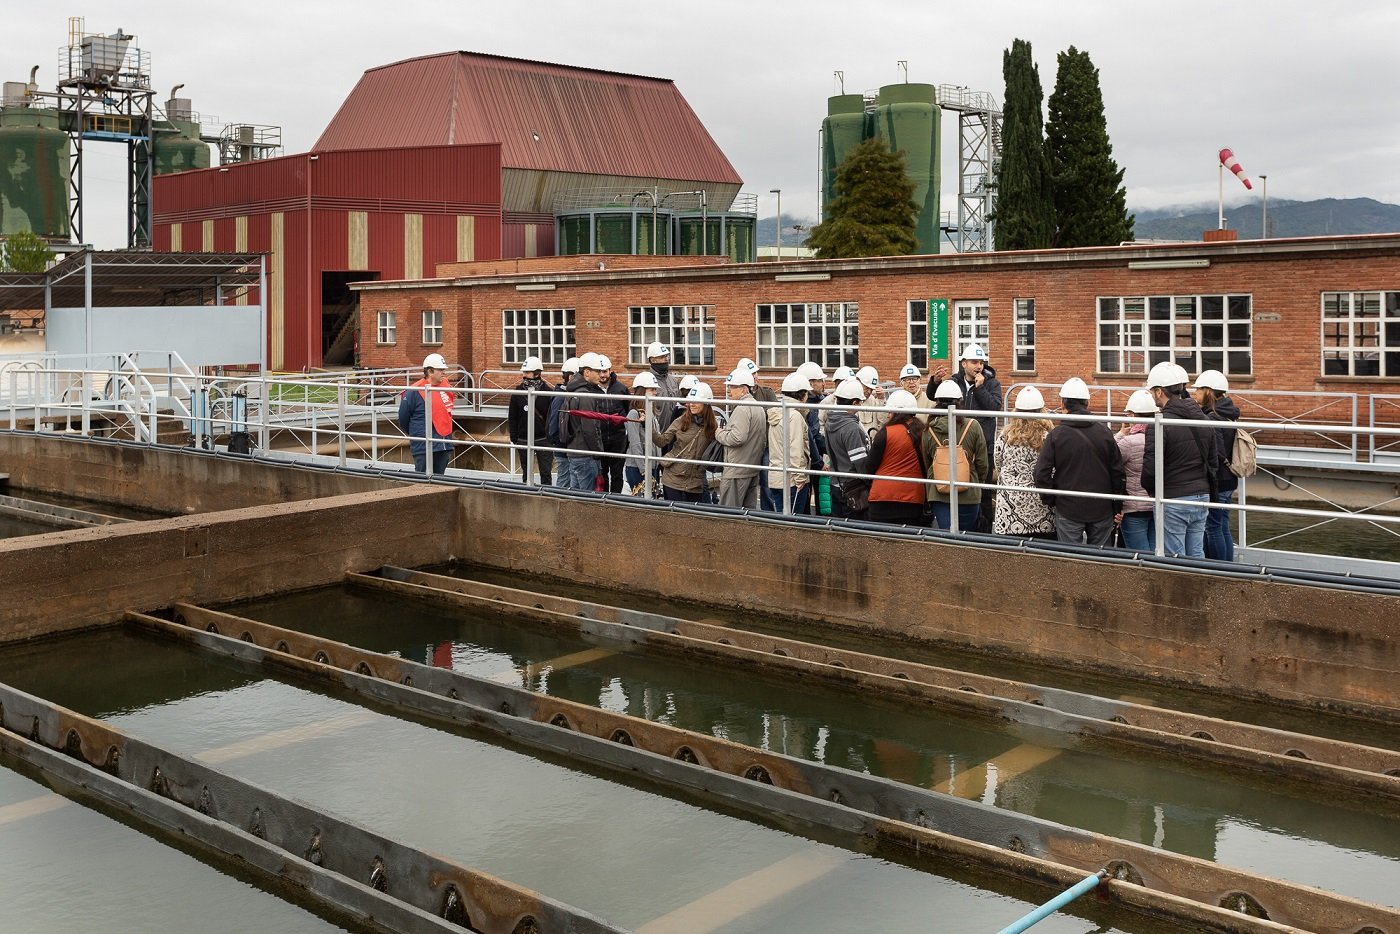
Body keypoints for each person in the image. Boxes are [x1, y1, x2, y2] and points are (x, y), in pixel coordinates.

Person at [1034, 378, 1126, 546]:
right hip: (1102, 507)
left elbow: (1041, 473)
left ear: (1062, 403)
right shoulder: (1104, 432)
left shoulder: (1057, 435)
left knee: (1070, 560)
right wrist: (1116, 506)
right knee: (1100, 560)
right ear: (1087, 403)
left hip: (1068, 507)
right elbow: (1118, 472)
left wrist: (1052, 500)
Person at [1142, 361, 1218, 558]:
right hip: (1202, 495)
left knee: (1174, 557)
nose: (1151, 395)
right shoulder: (1203, 419)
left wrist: (1153, 492)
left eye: (1152, 391)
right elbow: (1213, 460)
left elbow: (1150, 469)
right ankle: (1201, 587)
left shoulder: (1160, 424)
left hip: (1173, 498)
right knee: (1196, 552)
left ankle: (1179, 590)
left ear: (1159, 391)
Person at [940, 343, 1002, 530]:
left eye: (981, 362)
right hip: (959, 444)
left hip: (984, 445)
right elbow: (940, 401)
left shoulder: (992, 383)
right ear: (964, 363)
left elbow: (994, 408)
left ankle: (984, 532)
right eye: (974, 362)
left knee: (983, 491)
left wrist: (980, 389)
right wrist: (935, 383)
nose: (978, 367)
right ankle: (959, 526)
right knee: (959, 487)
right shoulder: (954, 382)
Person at [992, 386, 1055, 539]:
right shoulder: (1049, 437)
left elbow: (997, 463)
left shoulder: (1005, 436)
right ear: (1041, 411)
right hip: (1042, 506)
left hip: (1010, 509)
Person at [927, 379, 988, 531]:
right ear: (960, 401)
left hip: (938, 493)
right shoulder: (973, 426)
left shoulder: (928, 430)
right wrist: (975, 483)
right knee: (968, 538)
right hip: (969, 493)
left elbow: (927, 461)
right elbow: (982, 463)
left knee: (948, 539)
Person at [865, 389, 932, 526]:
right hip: (914, 499)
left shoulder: (885, 433)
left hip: (882, 499)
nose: (888, 415)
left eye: (890, 412)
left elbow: (869, 466)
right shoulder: (923, 432)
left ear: (896, 413)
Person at [1194, 370, 1240, 561]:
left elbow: (1217, 450)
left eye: (1198, 389)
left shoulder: (1212, 417)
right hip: (1229, 478)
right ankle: (1227, 566)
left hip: (1218, 479)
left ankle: (1219, 568)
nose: (1195, 393)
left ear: (1208, 391)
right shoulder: (1228, 413)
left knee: (1212, 527)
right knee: (1222, 524)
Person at [651, 381, 717, 503]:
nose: (691, 404)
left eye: (695, 401)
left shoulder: (713, 426)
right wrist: (648, 426)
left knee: (692, 518)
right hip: (673, 478)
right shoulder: (681, 420)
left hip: (695, 482)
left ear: (706, 404)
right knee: (675, 517)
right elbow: (662, 441)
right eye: (690, 401)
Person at [715, 368, 767, 509]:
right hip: (751, 467)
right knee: (747, 514)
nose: (728, 390)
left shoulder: (742, 408)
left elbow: (737, 438)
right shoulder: (758, 407)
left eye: (732, 387)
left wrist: (719, 433)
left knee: (728, 513)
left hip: (737, 470)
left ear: (744, 389)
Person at [1115, 389, 1159, 552]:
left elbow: (1109, 458)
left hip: (1134, 508)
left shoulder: (1128, 442)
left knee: (1139, 554)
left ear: (1133, 416)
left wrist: (1119, 435)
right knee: (1155, 551)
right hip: (1156, 505)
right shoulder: (1161, 437)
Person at [397, 352, 454, 475]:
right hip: (423, 446)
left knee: (440, 480)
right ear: (430, 371)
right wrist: (417, 434)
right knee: (422, 479)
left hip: (443, 445)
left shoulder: (445, 386)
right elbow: (403, 418)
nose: (444, 373)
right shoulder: (414, 391)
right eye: (440, 370)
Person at [560, 352, 609, 492]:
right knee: (588, 497)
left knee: (575, 494)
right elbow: (590, 428)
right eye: (597, 371)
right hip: (585, 454)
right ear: (587, 372)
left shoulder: (573, 391)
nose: (601, 375)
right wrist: (598, 452)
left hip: (574, 451)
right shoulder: (586, 395)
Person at [824, 377, 871, 520]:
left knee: (839, 531)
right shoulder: (850, 427)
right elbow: (860, 462)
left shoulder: (830, 421)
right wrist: (872, 481)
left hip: (836, 484)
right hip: (853, 489)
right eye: (860, 402)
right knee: (854, 533)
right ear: (854, 402)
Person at [767, 371, 812, 513]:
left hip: (776, 476)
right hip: (792, 480)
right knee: (793, 523)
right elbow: (795, 450)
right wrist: (800, 478)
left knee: (781, 522)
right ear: (802, 394)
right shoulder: (795, 416)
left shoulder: (776, 412)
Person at [506, 355, 552, 485]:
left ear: (537, 373)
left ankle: (547, 497)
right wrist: (514, 437)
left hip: (543, 439)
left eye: (527, 372)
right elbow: (512, 416)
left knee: (546, 473)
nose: (524, 375)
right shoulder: (518, 393)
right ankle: (528, 495)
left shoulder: (548, 393)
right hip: (523, 439)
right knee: (526, 473)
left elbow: (551, 417)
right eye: (524, 372)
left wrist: (551, 436)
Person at [598, 354, 631, 493]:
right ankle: (604, 498)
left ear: (610, 371)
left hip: (618, 439)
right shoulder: (591, 389)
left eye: (604, 371)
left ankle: (616, 499)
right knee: (602, 472)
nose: (602, 375)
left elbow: (629, 410)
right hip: (600, 439)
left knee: (617, 473)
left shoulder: (621, 389)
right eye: (599, 372)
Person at [625, 372, 661, 495]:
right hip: (638, 468)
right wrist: (643, 467)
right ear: (642, 391)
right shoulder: (634, 413)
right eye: (652, 389)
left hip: (652, 466)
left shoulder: (652, 413)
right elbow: (635, 442)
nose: (655, 393)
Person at [547, 356, 580, 488]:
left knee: (567, 478)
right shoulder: (561, 397)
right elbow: (553, 424)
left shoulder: (564, 395)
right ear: (571, 376)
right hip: (563, 447)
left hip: (566, 446)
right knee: (565, 479)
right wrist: (561, 442)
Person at [855, 365, 887, 438]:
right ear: (858, 382)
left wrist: (881, 400)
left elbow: (884, 421)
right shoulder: (848, 400)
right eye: (866, 387)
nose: (869, 392)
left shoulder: (873, 401)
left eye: (871, 389)